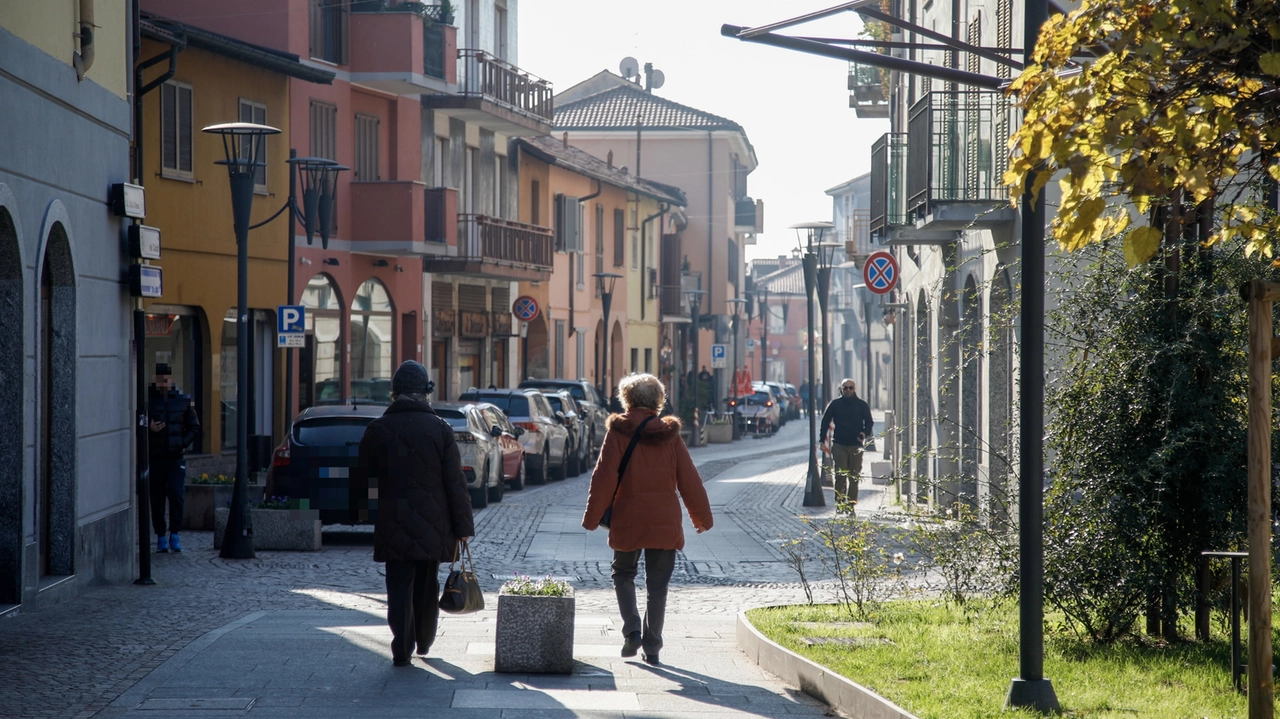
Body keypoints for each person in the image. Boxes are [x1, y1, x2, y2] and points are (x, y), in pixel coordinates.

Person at [583, 373, 713, 666]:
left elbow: (603, 478)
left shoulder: (618, 432)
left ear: (627, 399)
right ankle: (652, 644)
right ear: (658, 400)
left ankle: (632, 632)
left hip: (629, 517)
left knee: (623, 573)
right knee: (658, 585)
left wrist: (592, 518)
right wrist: (702, 518)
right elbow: (690, 480)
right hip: (664, 518)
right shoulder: (670, 435)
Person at [356, 360, 475, 667]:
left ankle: (402, 646)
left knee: (397, 586)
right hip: (433, 525)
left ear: (394, 393)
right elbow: (455, 485)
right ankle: (424, 639)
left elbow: (364, 479)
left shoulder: (378, 429)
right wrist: (463, 527)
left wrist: (363, 512)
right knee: (426, 583)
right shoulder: (440, 430)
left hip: (392, 521)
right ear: (425, 393)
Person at [147, 363, 200, 554]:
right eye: (160, 379)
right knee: (157, 498)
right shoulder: (148, 400)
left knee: (177, 495)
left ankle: (175, 534)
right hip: (155, 457)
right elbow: (138, 423)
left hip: (176, 458)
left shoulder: (184, 401)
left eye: (166, 379)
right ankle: (161, 535)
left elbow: (194, 427)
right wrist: (149, 429)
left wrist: (182, 443)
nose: (163, 383)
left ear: (171, 380)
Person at [819, 379, 875, 511]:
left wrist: (865, 433)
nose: (848, 390)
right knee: (840, 475)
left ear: (854, 388)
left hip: (856, 445)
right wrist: (822, 440)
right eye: (845, 388)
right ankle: (840, 502)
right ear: (841, 389)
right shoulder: (835, 404)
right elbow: (825, 421)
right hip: (839, 444)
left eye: (850, 388)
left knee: (854, 476)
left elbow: (869, 421)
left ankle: (851, 503)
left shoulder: (861, 405)